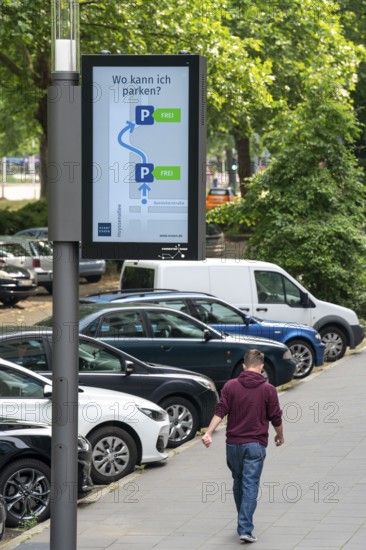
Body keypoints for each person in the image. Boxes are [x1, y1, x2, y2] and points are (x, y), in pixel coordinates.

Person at [202, 349, 284, 544]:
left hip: (233, 445)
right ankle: (245, 528)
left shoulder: (230, 386)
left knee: (239, 482)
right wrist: (280, 435)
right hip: (255, 445)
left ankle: (243, 522)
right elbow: (276, 416)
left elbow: (220, 410)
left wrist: (209, 432)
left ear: (244, 366)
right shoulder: (268, 390)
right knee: (250, 486)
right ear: (262, 366)